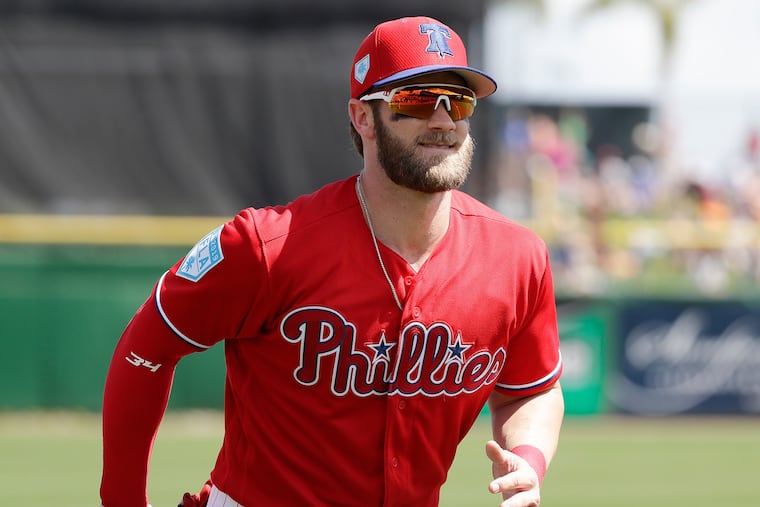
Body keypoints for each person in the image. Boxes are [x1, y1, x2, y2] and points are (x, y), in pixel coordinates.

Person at [99, 15, 564, 507]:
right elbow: (146, 346)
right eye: (417, 99)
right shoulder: (267, 245)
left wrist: (529, 460)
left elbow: (528, 389)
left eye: (460, 101)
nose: (444, 121)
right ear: (363, 117)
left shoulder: (517, 258)